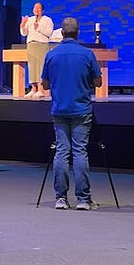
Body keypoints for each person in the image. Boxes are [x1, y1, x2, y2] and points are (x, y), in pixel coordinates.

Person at [41, 17, 102, 210]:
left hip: (59, 109)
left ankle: (61, 198)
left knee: (61, 151)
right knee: (80, 152)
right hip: (81, 109)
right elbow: (98, 82)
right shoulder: (87, 54)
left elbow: (44, 84)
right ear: (77, 33)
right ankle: (83, 200)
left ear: (62, 33)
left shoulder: (52, 54)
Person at [20, 2, 54, 99]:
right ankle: (33, 89)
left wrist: (38, 27)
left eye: (39, 8)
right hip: (31, 45)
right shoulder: (30, 20)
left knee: (40, 67)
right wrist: (22, 25)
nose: (36, 9)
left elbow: (49, 33)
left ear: (42, 10)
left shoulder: (47, 20)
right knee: (32, 67)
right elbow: (24, 33)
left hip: (42, 45)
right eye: (35, 8)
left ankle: (41, 89)